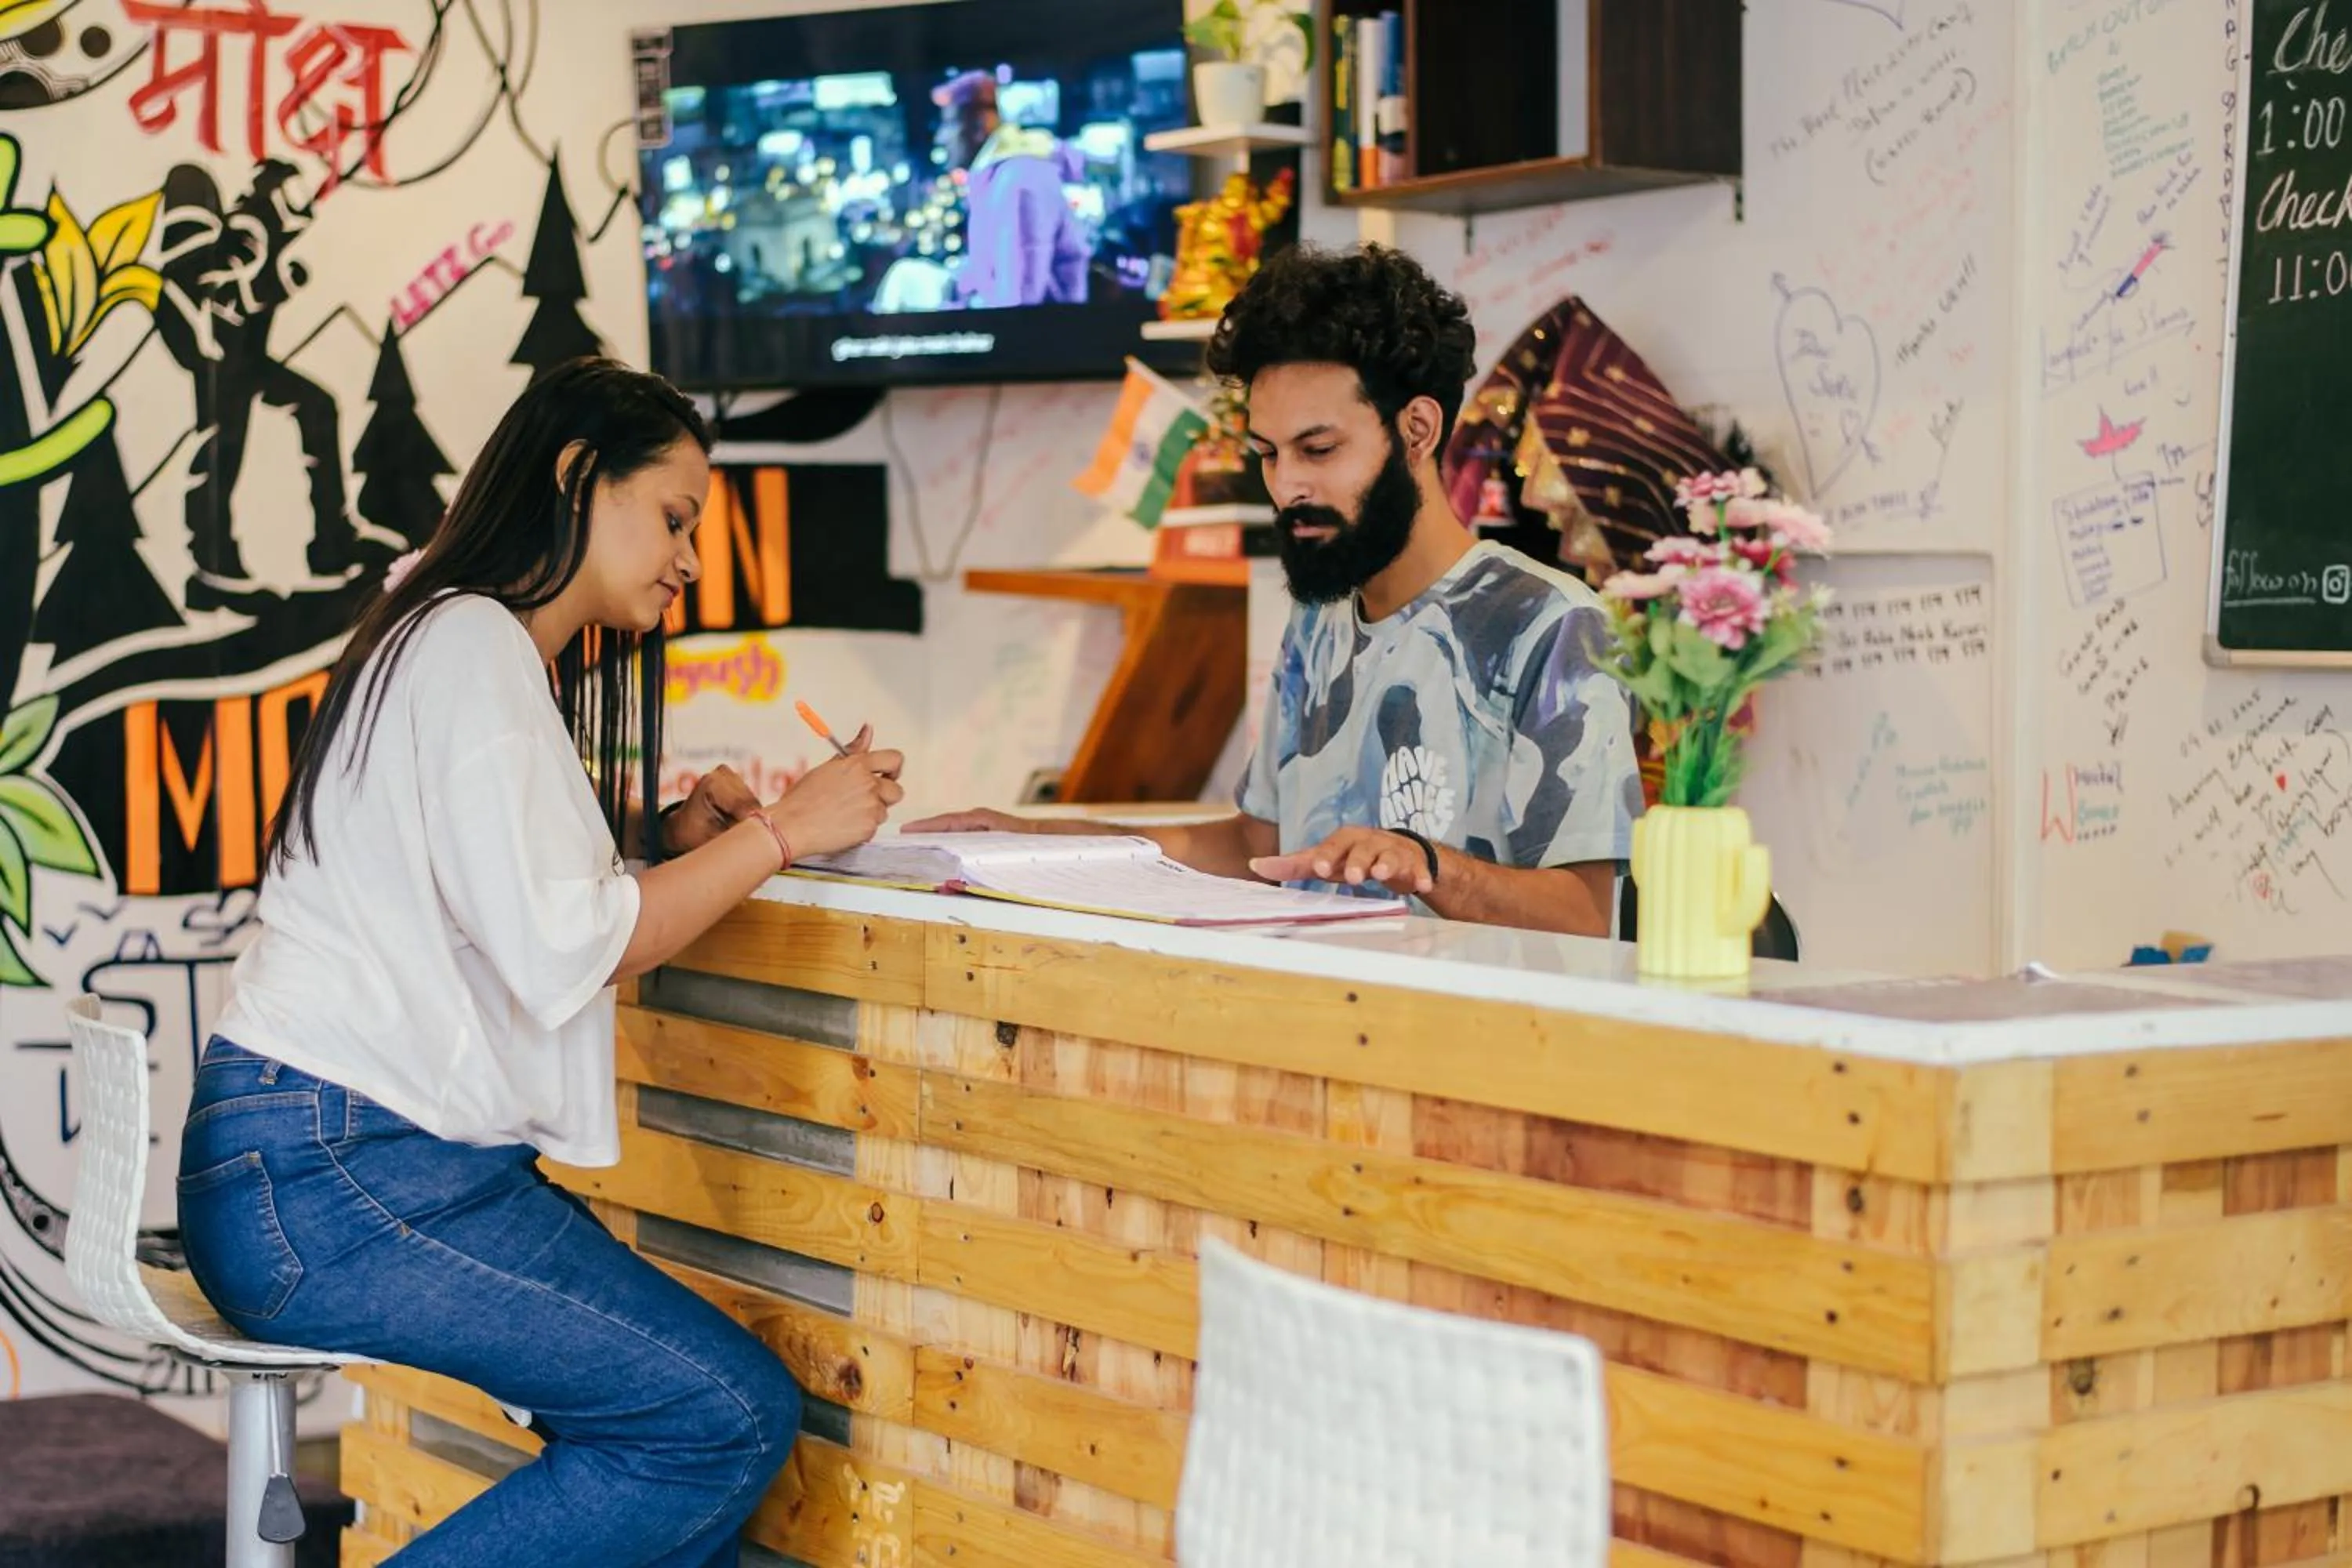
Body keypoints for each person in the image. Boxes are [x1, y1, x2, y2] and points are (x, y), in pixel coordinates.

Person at [175, 358, 907, 1565]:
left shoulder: (454, 638)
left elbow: (512, 894)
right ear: (578, 477)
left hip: (325, 1165)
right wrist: (788, 832)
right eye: (673, 517)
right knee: (712, 1421)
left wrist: (666, 844)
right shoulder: (473, 646)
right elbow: (574, 944)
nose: (689, 558)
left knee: (689, 1476)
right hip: (343, 1176)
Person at [912, 244, 1642, 935]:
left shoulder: (1550, 624)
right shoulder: (1319, 617)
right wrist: (1035, 840)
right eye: (1267, 454)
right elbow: (1255, 847)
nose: (1288, 485)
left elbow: (1582, 917)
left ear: (1417, 430)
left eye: (1319, 450)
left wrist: (1426, 867)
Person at [931, 69, 1091, 309]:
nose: (941, 138)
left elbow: (1020, 302)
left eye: (949, 123)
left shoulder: (1019, 180)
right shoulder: (999, 178)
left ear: (978, 124)